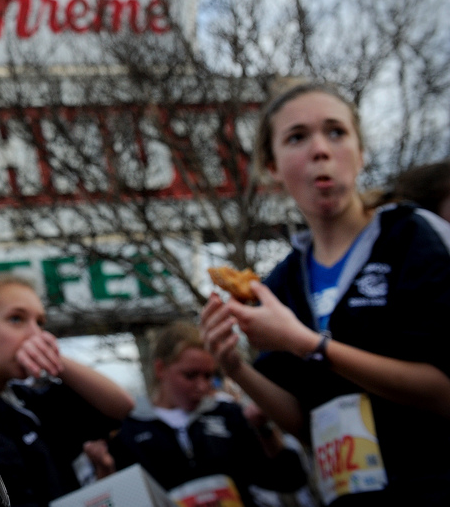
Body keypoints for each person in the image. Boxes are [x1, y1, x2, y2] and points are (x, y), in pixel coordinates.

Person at [201, 81, 450, 505]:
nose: (320, 150)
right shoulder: (280, 284)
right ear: (272, 166)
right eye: (297, 137)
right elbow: (303, 421)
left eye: (336, 132)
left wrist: (310, 346)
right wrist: (234, 366)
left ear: (360, 151)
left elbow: (443, 391)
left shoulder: (411, 237)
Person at [0, 272, 135, 507]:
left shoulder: (27, 399)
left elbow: (120, 406)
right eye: (16, 319)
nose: (37, 335)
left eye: (40, 323)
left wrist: (57, 362)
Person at [107, 321, 309, 506]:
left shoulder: (228, 414)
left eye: (208, 375)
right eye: (190, 375)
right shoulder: (129, 430)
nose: (202, 386)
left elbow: (290, 479)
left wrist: (264, 428)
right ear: (160, 369)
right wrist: (104, 470)